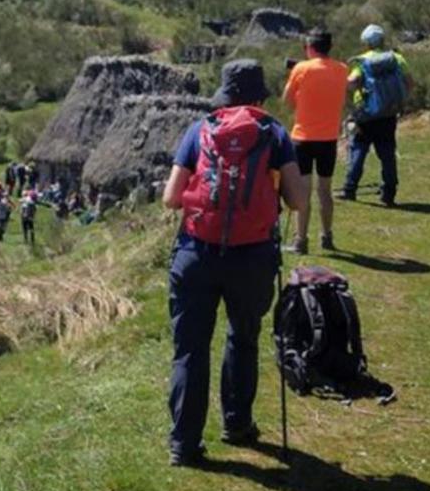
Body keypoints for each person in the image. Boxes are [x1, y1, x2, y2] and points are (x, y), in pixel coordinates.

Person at [161, 59, 309, 467]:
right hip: (253, 257)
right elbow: (298, 200)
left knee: (190, 350)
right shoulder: (274, 134)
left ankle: (184, 446)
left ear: (225, 95)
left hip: (195, 253)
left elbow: (171, 197)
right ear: (260, 96)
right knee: (242, 339)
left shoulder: (199, 130)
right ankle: (237, 423)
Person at [283, 28, 350, 253]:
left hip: (302, 137)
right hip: (329, 138)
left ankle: (301, 240)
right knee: (325, 190)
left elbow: (287, 100)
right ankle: (327, 236)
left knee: (303, 190)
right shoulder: (342, 69)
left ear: (309, 47)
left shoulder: (301, 68)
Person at [340, 24, 414, 207]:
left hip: (365, 114)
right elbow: (410, 83)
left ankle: (349, 189)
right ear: (382, 40)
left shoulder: (362, 61)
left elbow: (351, 83)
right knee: (387, 153)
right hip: (389, 113)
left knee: (359, 149)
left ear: (366, 43)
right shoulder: (396, 58)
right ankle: (388, 194)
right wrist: (398, 101)